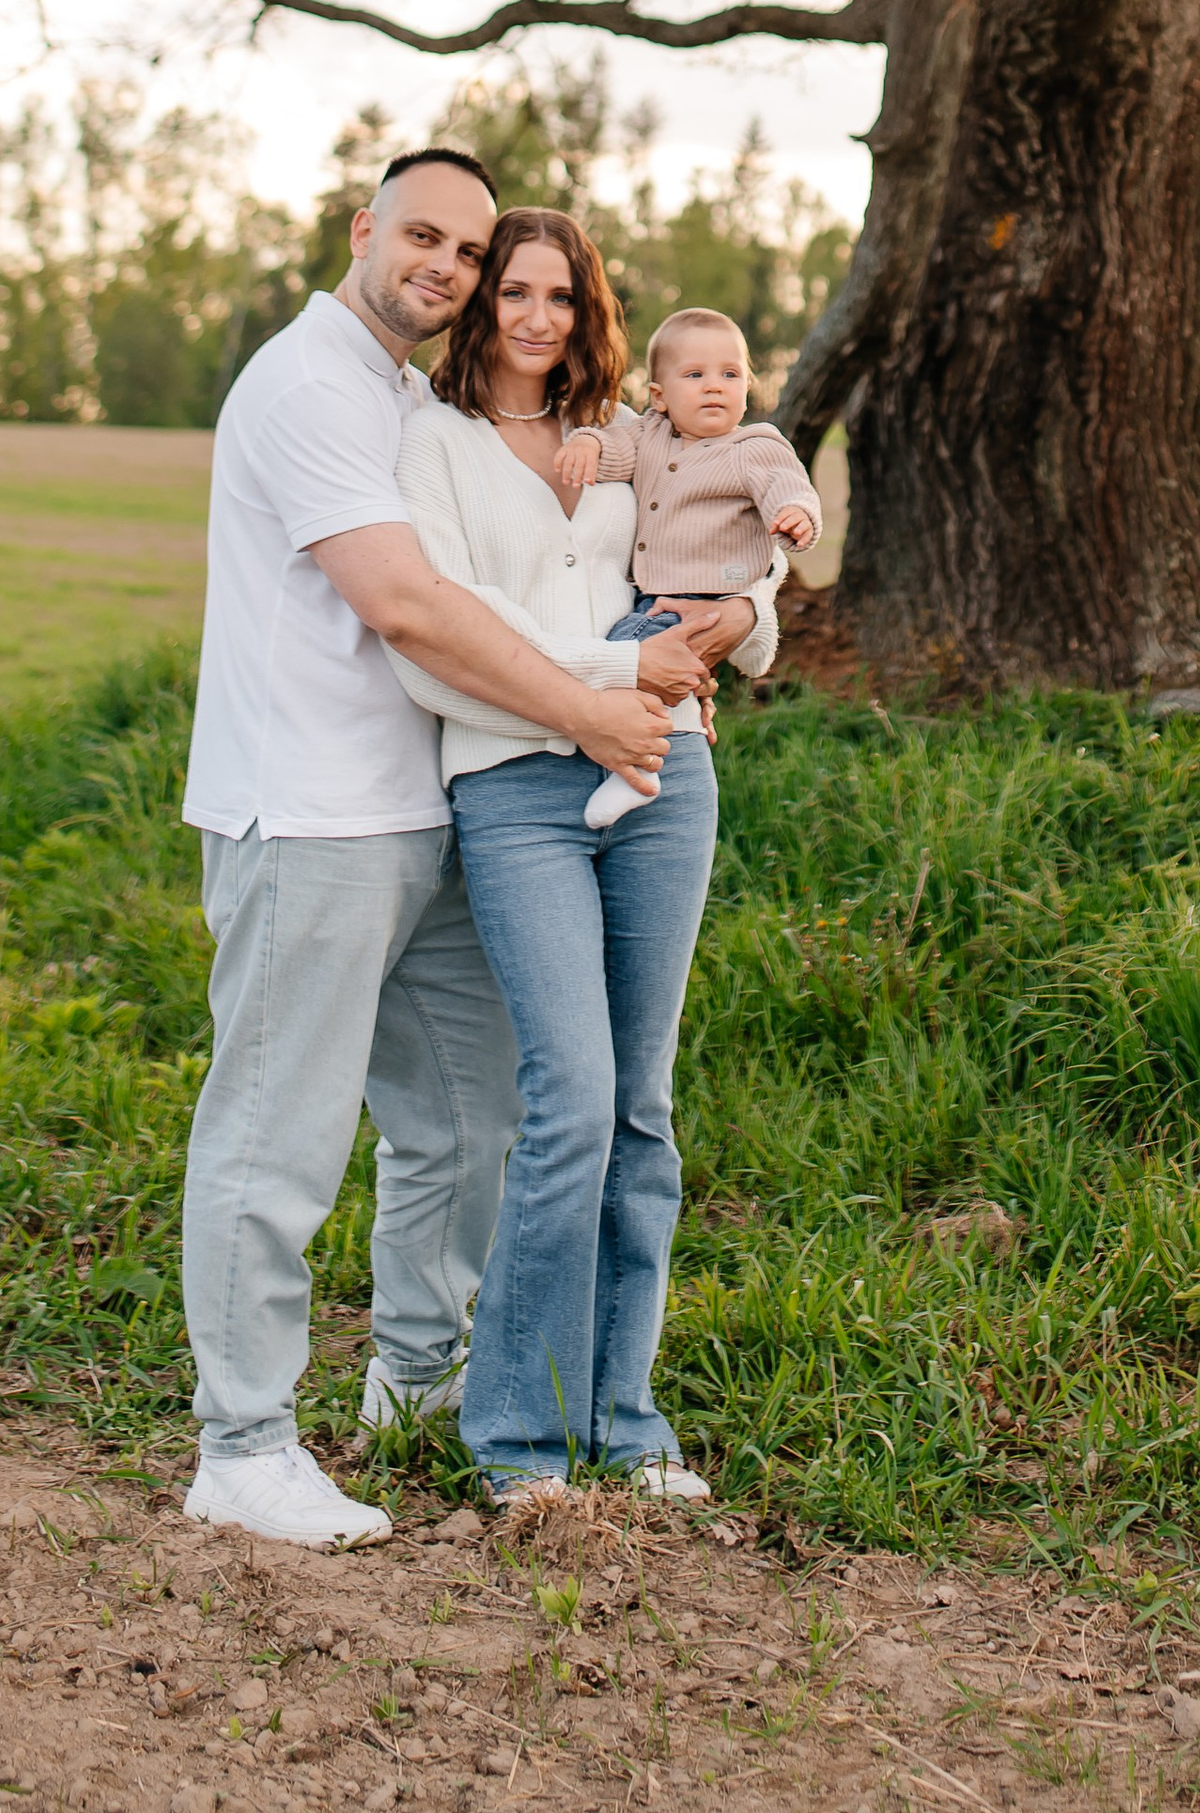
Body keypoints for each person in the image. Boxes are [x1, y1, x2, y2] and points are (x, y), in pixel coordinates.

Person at [177, 147, 678, 1552]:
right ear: (364, 228)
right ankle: (243, 1446)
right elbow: (402, 603)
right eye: (425, 237)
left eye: (468, 249)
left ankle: (413, 1373)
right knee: (277, 1135)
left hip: (426, 814)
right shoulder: (309, 384)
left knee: (462, 1122)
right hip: (308, 816)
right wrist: (589, 704)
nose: (446, 267)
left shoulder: (403, 392)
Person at [388, 209, 767, 1501]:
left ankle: (625, 1418)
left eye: (562, 294)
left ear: (588, 307)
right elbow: (450, 623)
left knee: (641, 1108)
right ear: (480, 301)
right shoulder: (433, 441)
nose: (538, 317)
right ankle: (517, 1435)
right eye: (514, 291)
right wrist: (616, 669)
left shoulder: (632, 433)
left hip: (664, 769)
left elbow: (731, 548)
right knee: (570, 1100)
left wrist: (743, 617)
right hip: (513, 783)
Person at [554, 306, 820, 826]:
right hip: (655, 595)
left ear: (748, 386)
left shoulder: (753, 446)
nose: (715, 386)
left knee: (627, 656)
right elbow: (614, 451)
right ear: (659, 396)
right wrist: (586, 442)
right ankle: (646, 750)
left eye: (730, 374)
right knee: (644, 664)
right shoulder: (649, 434)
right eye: (695, 375)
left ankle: (639, 771)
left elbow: (788, 487)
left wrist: (796, 515)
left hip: (709, 596)